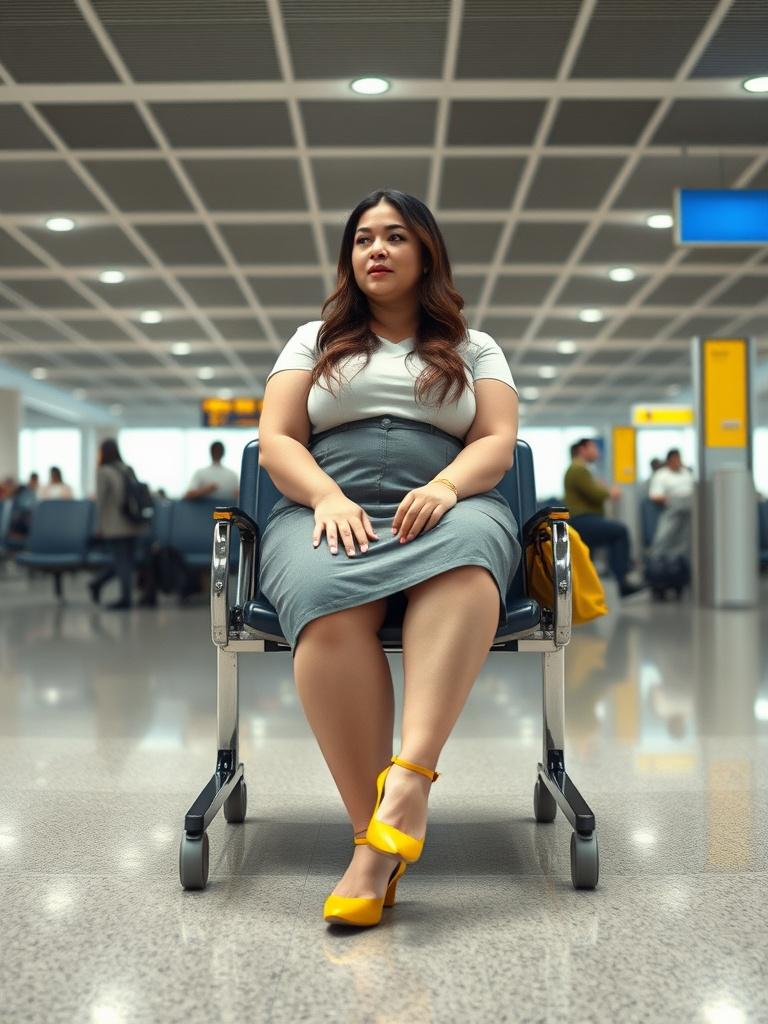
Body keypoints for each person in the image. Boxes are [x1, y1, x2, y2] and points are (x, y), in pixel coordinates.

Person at [257, 189, 521, 928]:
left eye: (396, 236)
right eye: (364, 238)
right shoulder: (313, 339)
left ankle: (405, 786)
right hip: (327, 503)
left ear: (426, 252)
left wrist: (444, 484)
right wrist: (325, 498)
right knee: (323, 603)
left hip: (446, 499)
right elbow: (276, 438)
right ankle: (369, 835)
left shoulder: (475, 346)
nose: (377, 249)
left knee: (470, 560)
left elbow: (497, 442)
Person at [564, 438, 644, 598]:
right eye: (593, 447)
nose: (597, 452)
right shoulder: (578, 469)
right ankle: (622, 581)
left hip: (581, 519)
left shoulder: (580, 470)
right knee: (620, 532)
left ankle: (586, 594)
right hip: (582, 519)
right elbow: (595, 493)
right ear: (583, 449)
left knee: (587, 559)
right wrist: (609, 492)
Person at [88, 438, 148, 610]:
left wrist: (98, 525)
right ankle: (100, 585)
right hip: (134, 522)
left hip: (115, 524)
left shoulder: (103, 471)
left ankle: (123, 598)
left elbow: (101, 500)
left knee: (121, 561)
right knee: (126, 561)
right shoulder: (127, 469)